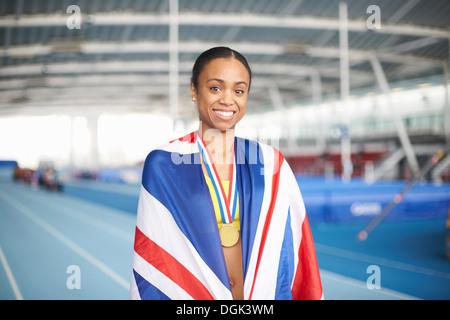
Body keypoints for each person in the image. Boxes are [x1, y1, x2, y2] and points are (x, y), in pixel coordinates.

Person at [130, 47, 322, 300]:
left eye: (239, 91)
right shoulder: (164, 163)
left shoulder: (270, 161)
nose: (228, 100)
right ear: (194, 90)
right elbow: (155, 255)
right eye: (215, 88)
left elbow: (294, 246)